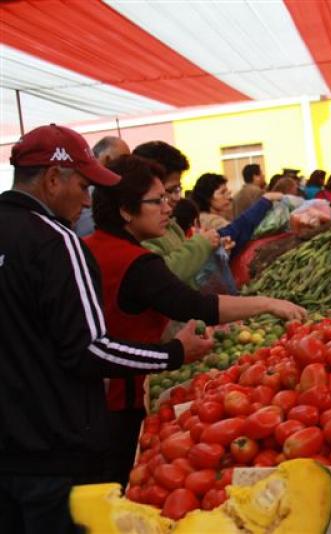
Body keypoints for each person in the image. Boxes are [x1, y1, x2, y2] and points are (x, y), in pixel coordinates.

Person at [0, 125, 212, 532]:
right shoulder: (57, 242)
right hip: (52, 453)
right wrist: (174, 354)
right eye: (83, 185)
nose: (86, 201)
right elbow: (91, 350)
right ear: (51, 179)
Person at [84, 154, 306, 485]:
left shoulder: (89, 247)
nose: (168, 208)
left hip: (87, 399)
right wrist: (267, 304)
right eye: (156, 201)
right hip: (118, 400)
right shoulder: (136, 263)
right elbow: (197, 306)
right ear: (125, 210)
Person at [133, 141, 218, 288]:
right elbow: (162, 275)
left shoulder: (170, 225)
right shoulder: (142, 233)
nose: (177, 198)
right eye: (171, 191)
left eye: (178, 189)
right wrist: (202, 244)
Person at [191, 173, 282, 258]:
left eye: (227, 191)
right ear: (207, 198)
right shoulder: (211, 221)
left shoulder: (210, 216)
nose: (228, 195)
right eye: (222, 192)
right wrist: (265, 200)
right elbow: (237, 230)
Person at [75, 136, 131, 237]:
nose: (127, 167)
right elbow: (88, 233)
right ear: (107, 159)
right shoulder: (93, 188)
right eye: (123, 161)